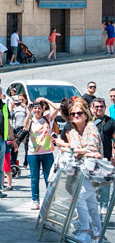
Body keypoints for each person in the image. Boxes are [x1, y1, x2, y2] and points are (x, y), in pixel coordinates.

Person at [57, 99, 103, 243]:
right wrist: (83, 151)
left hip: (95, 172)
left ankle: (85, 232)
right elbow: (79, 153)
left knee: (80, 197)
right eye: (73, 114)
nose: (76, 116)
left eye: (79, 113)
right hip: (82, 172)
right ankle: (97, 234)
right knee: (91, 203)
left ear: (85, 114)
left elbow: (94, 149)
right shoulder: (73, 130)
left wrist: (71, 149)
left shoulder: (91, 127)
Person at [21, 98, 58, 210]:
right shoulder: (31, 120)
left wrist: (45, 99)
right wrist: (29, 112)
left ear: (43, 109)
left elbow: (57, 108)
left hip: (47, 152)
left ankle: (50, 200)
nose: (37, 110)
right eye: (35, 108)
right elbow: (25, 126)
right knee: (34, 178)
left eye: (39, 108)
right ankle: (35, 200)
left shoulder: (47, 119)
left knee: (49, 178)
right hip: (33, 153)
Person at [90, 98, 115, 214]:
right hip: (91, 158)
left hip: (106, 157)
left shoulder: (111, 121)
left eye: (101, 106)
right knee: (92, 183)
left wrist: (113, 155)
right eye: (97, 107)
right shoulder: (89, 121)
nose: (99, 109)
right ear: (92, 108)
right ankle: (93, 203)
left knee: (105, 182)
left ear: (105, 107)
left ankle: (104, 205)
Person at [11, 93, 30, 167]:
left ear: (26, 100)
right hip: (17, 128)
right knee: (15, 145)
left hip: (25, 128)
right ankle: (13, 163)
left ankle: (26, 163)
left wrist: (26, 108)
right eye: (19, 100)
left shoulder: (28, 108)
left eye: (22, 100)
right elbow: (11, 116)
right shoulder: (16, 108)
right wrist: (12, 108)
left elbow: (30, 116)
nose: (21, 101)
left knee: (27, 147)